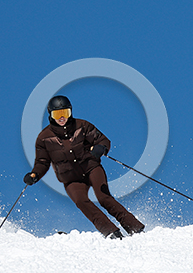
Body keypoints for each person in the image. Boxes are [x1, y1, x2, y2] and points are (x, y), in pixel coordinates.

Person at [24, 95, 145, 239]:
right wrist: (35, 174)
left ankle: (135, 228)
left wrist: (101, 147)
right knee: (81, 201)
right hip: (70, 177)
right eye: (57, 114)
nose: (62, 118)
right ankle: (111, 232)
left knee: (104, 198)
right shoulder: (44, 138)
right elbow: (42, 162)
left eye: (65, 113)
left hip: (91, 168)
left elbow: (102, 140)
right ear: (50, 115)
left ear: (70, 112)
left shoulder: (82, 126)